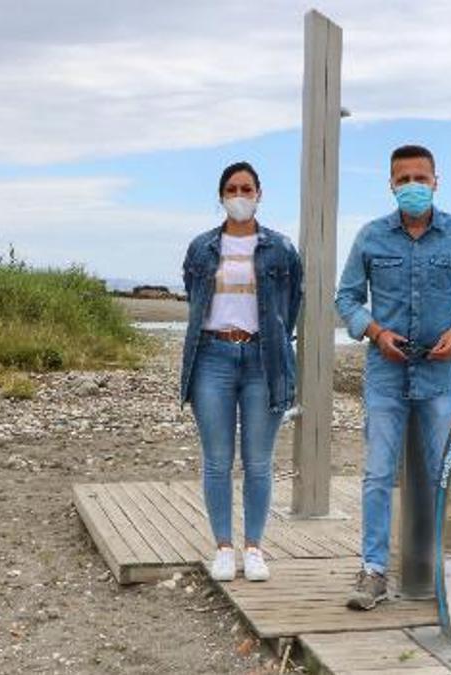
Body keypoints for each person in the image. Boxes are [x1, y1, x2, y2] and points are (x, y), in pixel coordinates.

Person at [335, 144, 451, 609]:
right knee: (377, 473)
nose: (412, 187)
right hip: (385, 372)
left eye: (419, 178)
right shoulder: (370, 237)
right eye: (403, 179)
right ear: (390, 184)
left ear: (435, 182)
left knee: (448, 472)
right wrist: (374, 330)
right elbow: (345, 298)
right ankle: (373, 572)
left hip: (442, 376)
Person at [180, 161, 303, 583]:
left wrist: (274, 339)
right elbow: (193, 295)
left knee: (258, 461)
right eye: (231, 189)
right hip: (211, 357)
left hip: (262, 359)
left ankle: (253, 547)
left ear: (259, 194)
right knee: (217, 461)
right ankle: (223, 548)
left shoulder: (282, 249)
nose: (239, 195)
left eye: (246, 188)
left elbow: (293, 303)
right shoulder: (200, 248)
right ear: (221, 196)